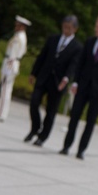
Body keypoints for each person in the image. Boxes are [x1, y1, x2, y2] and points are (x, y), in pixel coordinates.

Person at [61, 14, 98, 159]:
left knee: (90, 121)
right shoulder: (90, 42)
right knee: (74, 116)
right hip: (83, 86)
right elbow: (80, 64)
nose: (96, 29)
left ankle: (81, 150)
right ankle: (66, 145)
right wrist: (75, 82)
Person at [26, 15, 82, 145]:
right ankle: (35, 128)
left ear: (75, 29)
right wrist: (34, 73)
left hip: (58, 82)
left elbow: (73, 65)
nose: (66, 30)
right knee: (34, 101)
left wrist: (66, 78)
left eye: (69, 28)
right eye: (64, 27)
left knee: (50, 111)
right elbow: (42, 56)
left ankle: (43, 136)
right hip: (43, 77)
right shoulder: (53, 39)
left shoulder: (77, 47)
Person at [0, 16, 30, 122]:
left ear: (22, 26)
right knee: (6, 90)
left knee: (5, 90)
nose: (15, 26)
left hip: (11, 63)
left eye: (18, 25)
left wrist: (9, 66)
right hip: (11, 62)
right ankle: (2, 113)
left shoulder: (19, 37)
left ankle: (1, 114)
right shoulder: (20, 36)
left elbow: (14, 54)